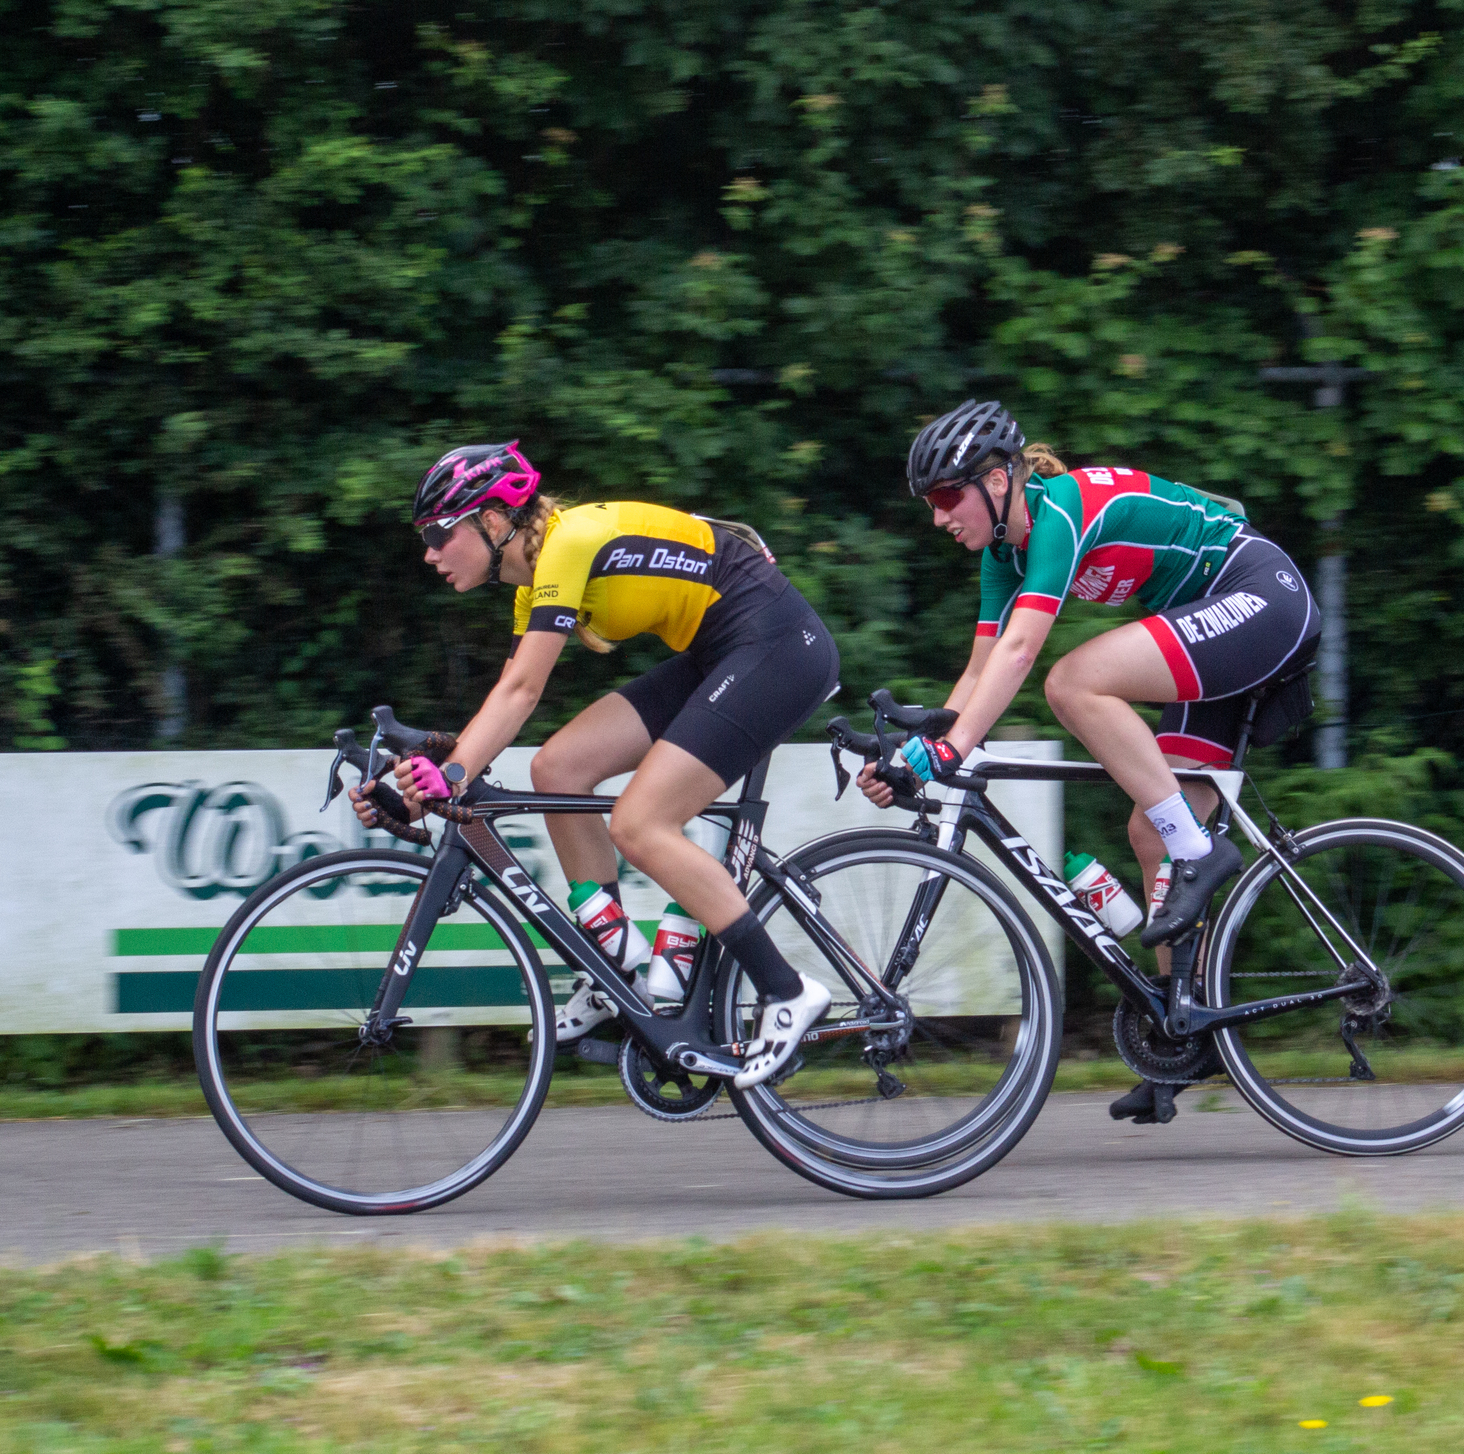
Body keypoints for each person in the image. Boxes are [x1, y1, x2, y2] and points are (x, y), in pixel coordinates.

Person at [864, 400, 1320, 1122]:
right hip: (1209, 621)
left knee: (1073, 682)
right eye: (930, 504)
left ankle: (1198, 851)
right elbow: (980, 673)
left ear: (998, 479)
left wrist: (949, 751)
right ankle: (1183, 1037)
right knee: (1151, 832)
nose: (938, 518)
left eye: (948, 498)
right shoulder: (1002, 556)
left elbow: (1021, 652)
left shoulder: (1060, 510)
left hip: (1258, 592)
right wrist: (918, 755)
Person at [356, 441, 838, 1088]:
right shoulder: (535, 581)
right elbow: (508, 701)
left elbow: (523, 692)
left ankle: (785, 991)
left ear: (493, 520)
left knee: (640, 823)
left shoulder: (566, 546)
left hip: (776, 647)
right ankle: (621, 966)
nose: (430, 552)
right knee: (558, 769)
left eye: (441, 533)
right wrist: (428, 784)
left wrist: (450, 773)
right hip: (721, 653)